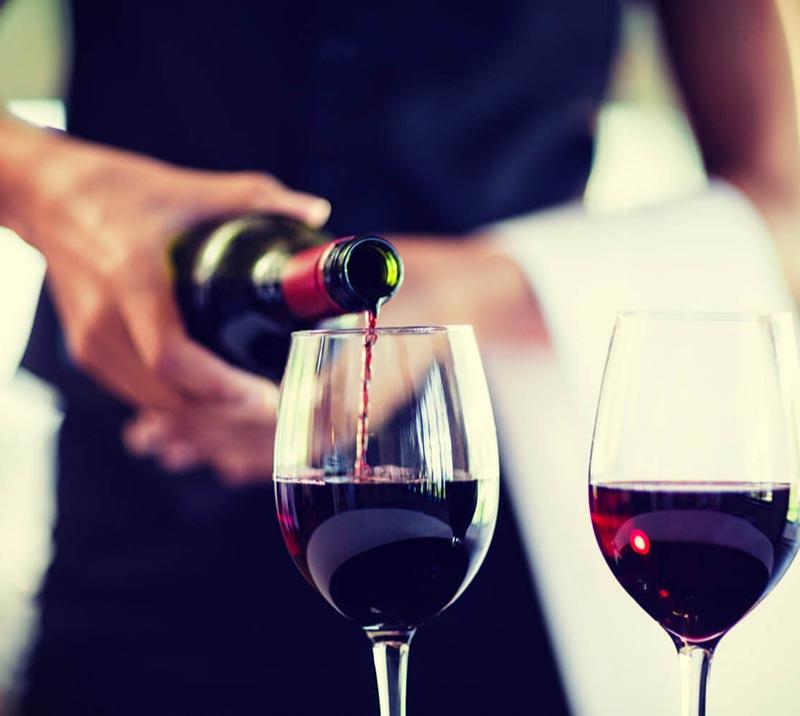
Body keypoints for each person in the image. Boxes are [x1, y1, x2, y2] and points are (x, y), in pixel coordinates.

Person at [0, 1, 797, 714]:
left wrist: (462, 290)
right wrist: (49, 185)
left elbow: (784, 208)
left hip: (502, 542)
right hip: (143, 510)